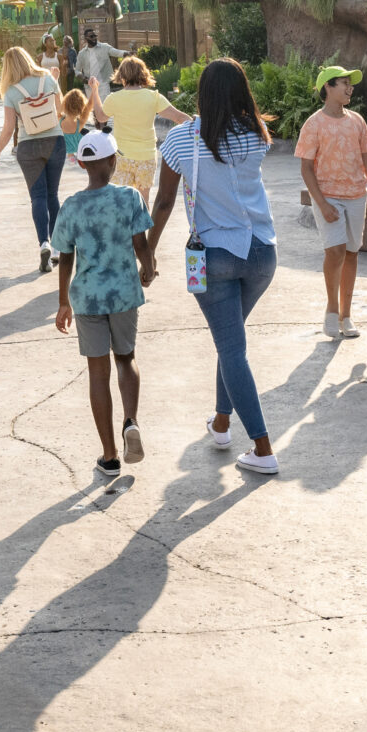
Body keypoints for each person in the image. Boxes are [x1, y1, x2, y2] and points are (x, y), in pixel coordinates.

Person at [145, 58, 280, 474]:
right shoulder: (256, 133)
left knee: (231, 348)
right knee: (231, 343)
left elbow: (165, 201)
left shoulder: (181, 140)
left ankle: (262, 449)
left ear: (202, 93)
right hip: (262, 253)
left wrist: (147, 253)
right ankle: (221, 424)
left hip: (214, 257)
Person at [52, 127, 153, 474]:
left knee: (98, 372)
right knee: (126, 359)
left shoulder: (71, 206)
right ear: (112, 161)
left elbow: (65, 256)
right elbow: (141, 244)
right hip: (124, 293)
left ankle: (109, 455)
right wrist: (149, 269)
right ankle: (131, 420)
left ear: (81, 164)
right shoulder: (129, 198)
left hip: (88, 298)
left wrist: (63, 301)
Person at [295, 65, 367, 339]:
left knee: (352, 253)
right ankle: (332, 310)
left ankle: (347, 315)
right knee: (334, 251)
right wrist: (320, 203)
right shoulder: (314, 124)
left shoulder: (357, 120)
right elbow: (306, 168)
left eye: (350, 83)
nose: (350, 87)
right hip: (328, 197)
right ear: (328, 88)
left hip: (357, 195)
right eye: (344, 83)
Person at [0, 46, 71, 273]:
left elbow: (9, 128)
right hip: (54, 142)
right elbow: (60, 110)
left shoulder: (11, 92)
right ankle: (56, 247)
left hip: (28, 147)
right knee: (52, 195)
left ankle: (43, 243)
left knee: (37, 196)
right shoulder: (47, 79)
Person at [97, 56, 185, 191]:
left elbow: (101, 117)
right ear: (143, 74)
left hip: (121, 158)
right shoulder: (154, 97)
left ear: (121, 75)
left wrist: (94, 92)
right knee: (143, 201)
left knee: (122, 201)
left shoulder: (114, 99)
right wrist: (199, 124)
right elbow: (179, 117)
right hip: (146, 157)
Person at [73, 29, 125, 106]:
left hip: (103, 83)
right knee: (93, 108)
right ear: (86, 38)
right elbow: (77, 71)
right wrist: (83, 78)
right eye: (91, 36)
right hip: (89, 85)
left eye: (95, 36)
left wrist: (127, 53)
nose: (94, 38)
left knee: (105, 107)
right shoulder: (82, 53)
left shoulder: (105, 47)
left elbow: (117, 52)